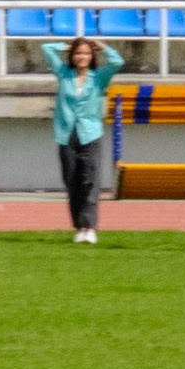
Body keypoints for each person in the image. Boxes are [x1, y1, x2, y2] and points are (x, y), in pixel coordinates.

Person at [42, 30, 126, 244]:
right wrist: (67, 45)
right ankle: (79, 226)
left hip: (90, 133)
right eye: (78, 53)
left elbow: (117, 61)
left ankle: (90, 227)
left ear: (92, 56)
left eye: (86, 53)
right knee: (72, 182)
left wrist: (102, 45)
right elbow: (46, 49)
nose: (82, 57)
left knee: (90, 181)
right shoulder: (64, 73)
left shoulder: (98, 77)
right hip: (66, 134)